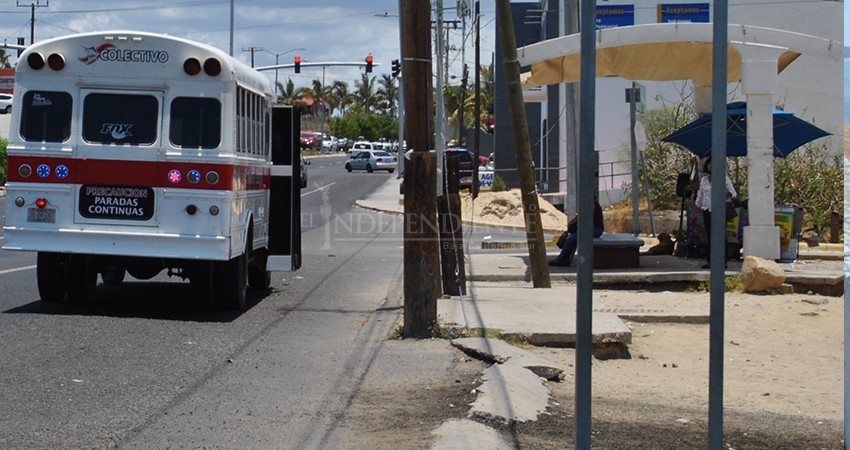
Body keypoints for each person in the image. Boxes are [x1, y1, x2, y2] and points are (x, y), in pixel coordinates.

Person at [694, 158, 736, 268]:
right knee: (709, 235)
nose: (711, 165)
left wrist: (727, 193)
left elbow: (733, 193)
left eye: (713, 163)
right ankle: (710, 260)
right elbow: (700, 194)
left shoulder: (723, 178)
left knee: (721, 235)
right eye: (709, 163)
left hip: (719, 210)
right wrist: (697, 205)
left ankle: (723, 261)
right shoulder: (704, 180)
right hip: (707, 210)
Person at [549, 199, 604, 267]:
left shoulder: (591, 204)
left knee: (571, 239)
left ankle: (559, 259)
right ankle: (565, 260)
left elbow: (582, 216)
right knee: (572, 238)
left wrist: (571, 223)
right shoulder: (592, 204)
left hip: (595, 230)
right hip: (590, 230)